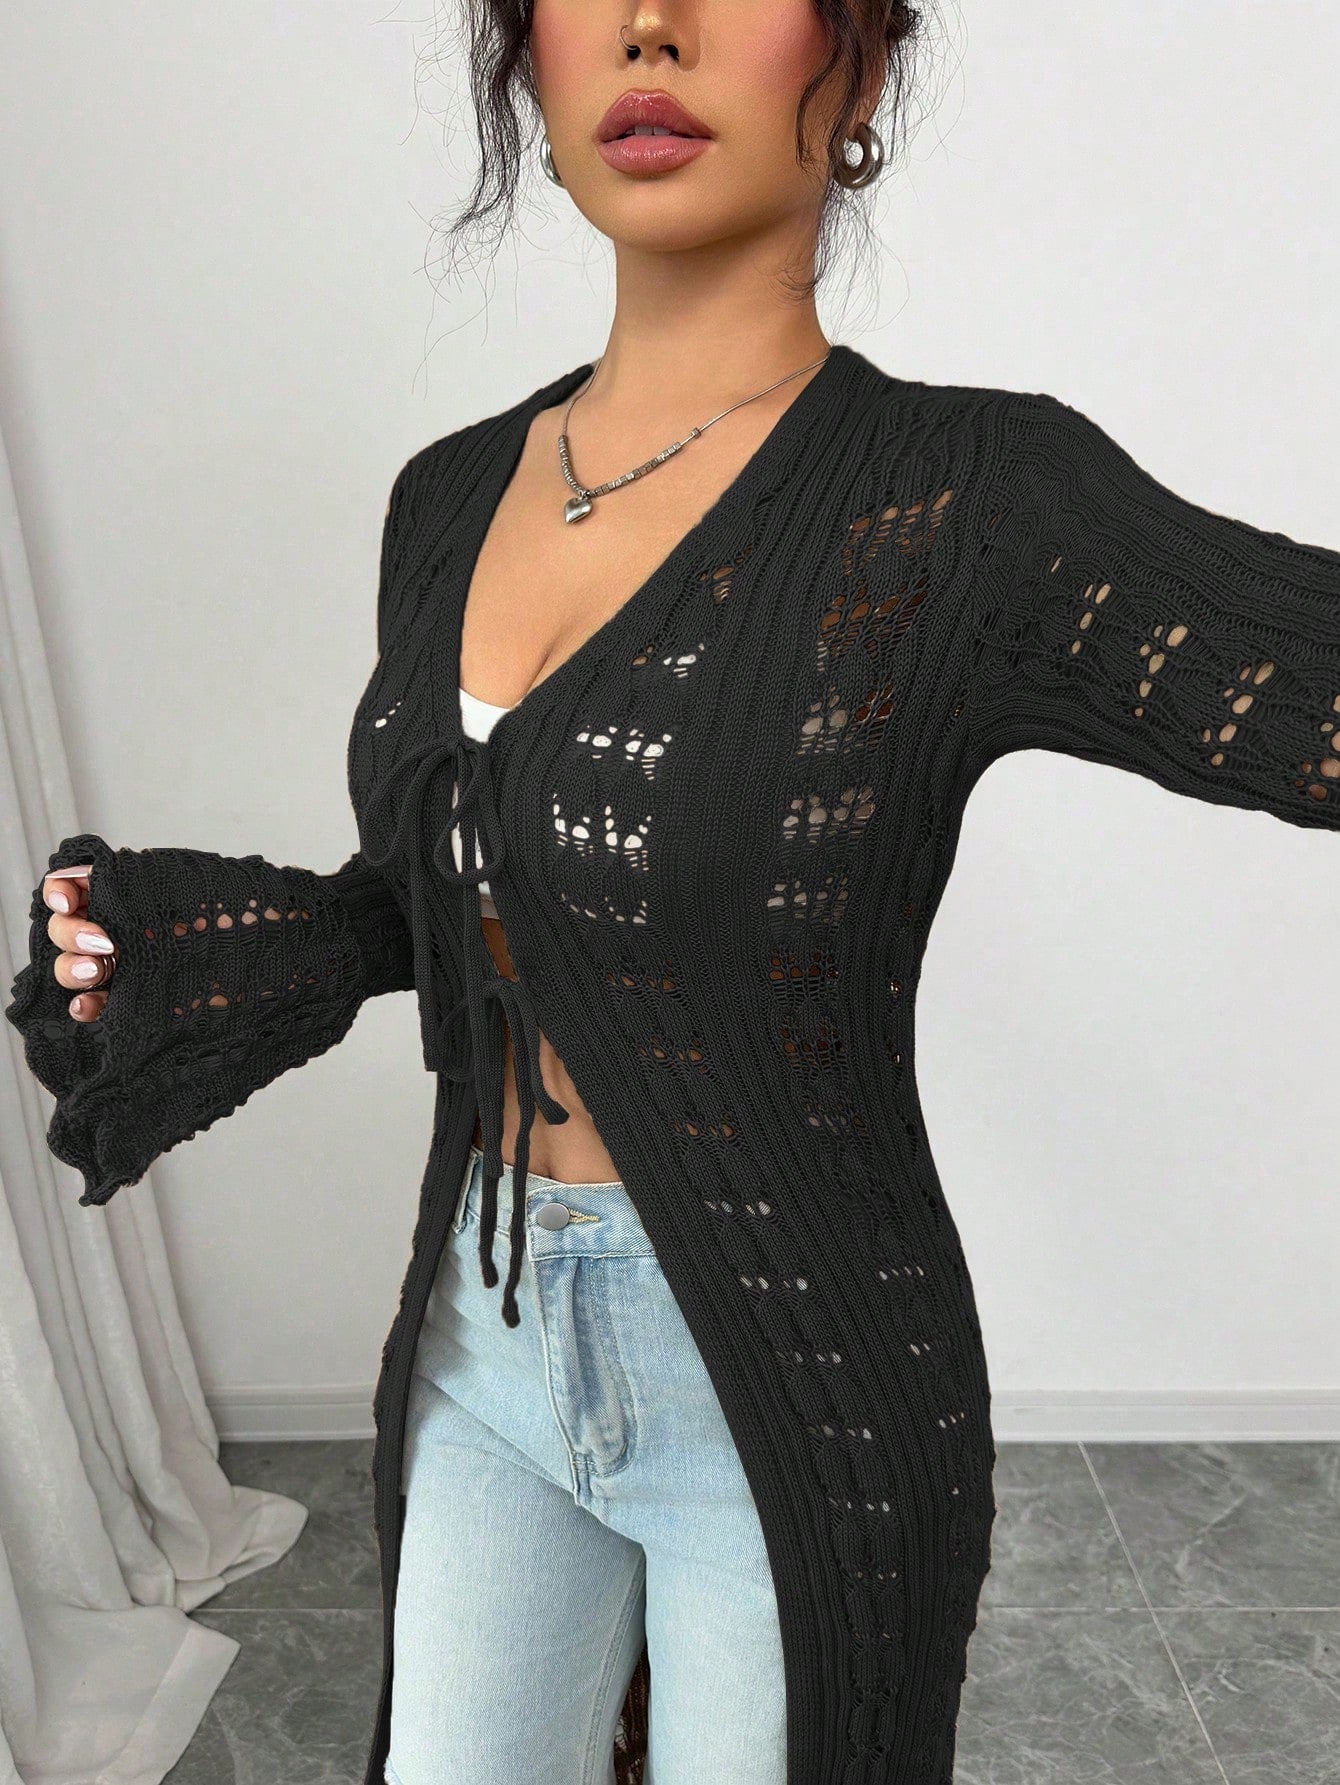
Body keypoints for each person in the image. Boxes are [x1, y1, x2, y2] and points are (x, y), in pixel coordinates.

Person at [7, 5, 1339, 1784]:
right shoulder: (447, 496)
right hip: (483, 1333)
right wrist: (220, 943)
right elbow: (479, 897)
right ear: (529, 65)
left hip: (792, 1371)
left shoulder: (962, 500)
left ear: (857, 66)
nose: (649, 23)